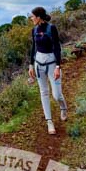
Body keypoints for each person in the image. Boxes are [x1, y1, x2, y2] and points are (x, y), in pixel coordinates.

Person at [27, 7, 66, 135]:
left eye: (32, 16)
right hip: (39, 65)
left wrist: (58, 67)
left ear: (38, 17)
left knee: (57, 95)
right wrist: (31, 65)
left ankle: (63, 108)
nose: (31, 18)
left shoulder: (51, 28)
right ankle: (49, 122)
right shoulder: (34, 30)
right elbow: (34, 47)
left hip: (52, 64)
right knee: (44, 92)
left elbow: (57, 48)